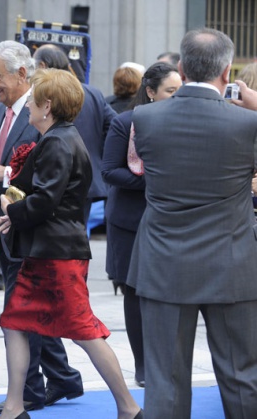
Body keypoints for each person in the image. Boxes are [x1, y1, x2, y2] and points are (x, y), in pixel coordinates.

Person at [0, 67, 143, 419]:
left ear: (47, 106)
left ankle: (129, 407)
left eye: (32, 99)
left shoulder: (59, 141)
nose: (27, 104)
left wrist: (12, 208)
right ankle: (14, 407)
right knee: (16, 322)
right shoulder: (60, 137)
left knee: (83, 329)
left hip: (55, 255)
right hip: (51, 252)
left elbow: (45, 201)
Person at [128, 28, 257, 419]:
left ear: (181, 68)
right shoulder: (246, 124)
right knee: (241, 375)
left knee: (165, 379)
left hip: (164, 261)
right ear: (227, 71)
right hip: (232, 261)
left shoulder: (145, 118)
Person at [0, 41, 84, 415]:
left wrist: (6, 175)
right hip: (7, 222)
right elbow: (1, 161)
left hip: (35, 228)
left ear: (22, 74)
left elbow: (46, 176)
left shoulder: (46, 114)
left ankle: (28, 392)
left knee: (23, 311)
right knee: (30, 308)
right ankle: (64, 379)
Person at [101, 61, 182, 388]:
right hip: (131, 223)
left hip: (172, 221)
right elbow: (109, 171)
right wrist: (155, 182)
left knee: (171, 294)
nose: (176, 98)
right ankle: (143, 366)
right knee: (134, 294)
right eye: (170, 92)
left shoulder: (183, 123)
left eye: (180, 91)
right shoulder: (125, 123)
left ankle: (169, 362)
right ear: (150, 92)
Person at [33, 44, 116, 223]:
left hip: (52, 178)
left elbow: (115, 127)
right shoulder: (92, 92)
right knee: (77, 234)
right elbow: (114, 127)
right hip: (85, 177)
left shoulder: (45, 94)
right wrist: (97, 155)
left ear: (42, 66)